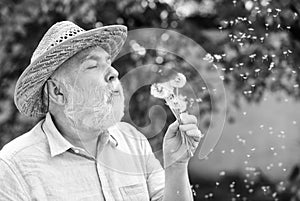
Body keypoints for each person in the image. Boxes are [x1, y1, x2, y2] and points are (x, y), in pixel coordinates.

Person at [0, 21, 202, 200]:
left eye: (109, 63)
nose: (114, 72)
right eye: (92, 66)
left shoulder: (133, 141)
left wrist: (176, 166)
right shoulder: (15, 167)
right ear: (57, 92)